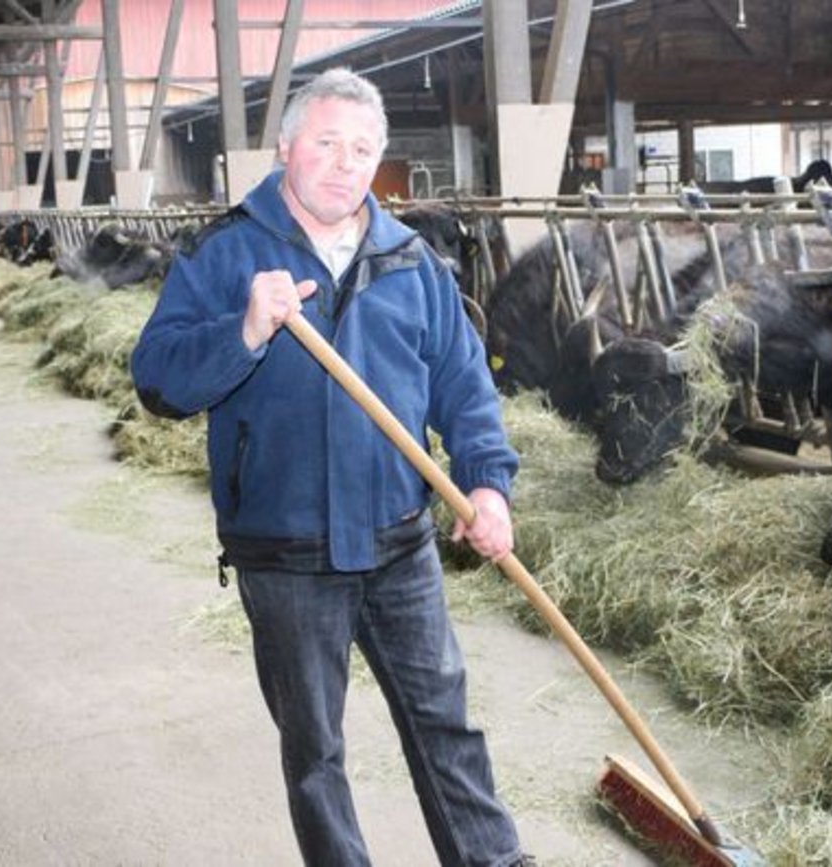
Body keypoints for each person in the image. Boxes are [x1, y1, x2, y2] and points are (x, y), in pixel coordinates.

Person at [131, 68, 529, 867]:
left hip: (398, 539)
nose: (344, 163)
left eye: (361, 149)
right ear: (285, 148)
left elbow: (463, 385)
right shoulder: (225, 252)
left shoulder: (411, 261)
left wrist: (486, 479)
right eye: (325, 142)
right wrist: (244, 330)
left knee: (444, 719)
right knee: (315, 749)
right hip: (285, 549)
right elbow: (158, 378)